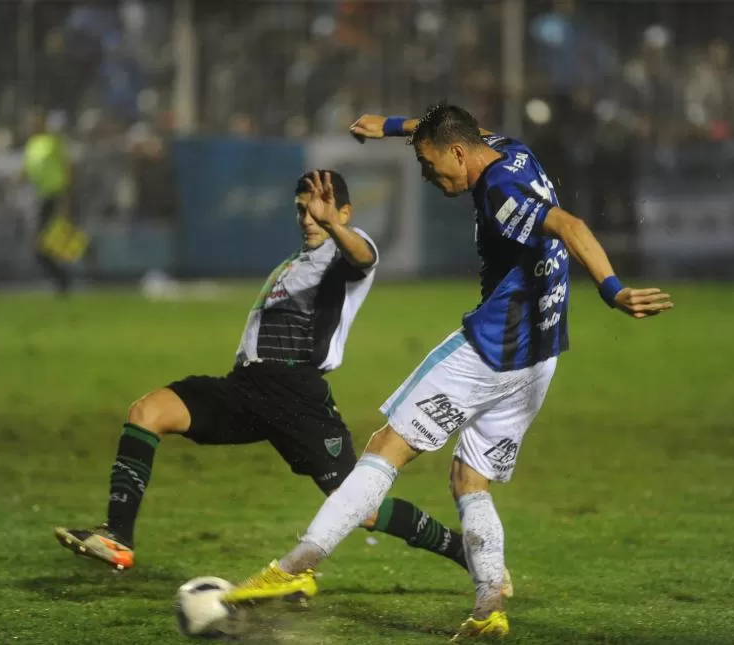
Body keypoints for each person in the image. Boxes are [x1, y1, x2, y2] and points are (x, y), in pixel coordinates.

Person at [221, 105, 674, 641]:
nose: (427, 177)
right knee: (469, 479)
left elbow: (570, 225)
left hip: (489, 351)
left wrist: (612, 289)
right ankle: (488, 606)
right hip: (540, 356)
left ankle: (292, 569)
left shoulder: (501, 193)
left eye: (431, 166)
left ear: (458, 154)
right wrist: (391, 128)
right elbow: (445, 124)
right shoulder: (510, 149)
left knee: (385, 447)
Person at [54, 169, 511, 593]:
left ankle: (463, 551)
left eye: (320, 207)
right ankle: (118, 536)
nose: (309, 216)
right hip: (245, 388)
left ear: (343, 212)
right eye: (302, 207)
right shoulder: (294, 263)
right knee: (147, 412)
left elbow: (365, 257)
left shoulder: (342, 251)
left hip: (296, 394)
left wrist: (335, 227)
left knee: (359, 507)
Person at [21, 106, 75, 295]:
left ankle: (64, 279)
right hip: (40, 198)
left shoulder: (53, 142)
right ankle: (63, 279)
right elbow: (27, 172)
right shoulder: (31, 146)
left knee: (45, 243)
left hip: (54, 196)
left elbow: (67, 168)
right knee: (44, 244)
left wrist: (65, 197)